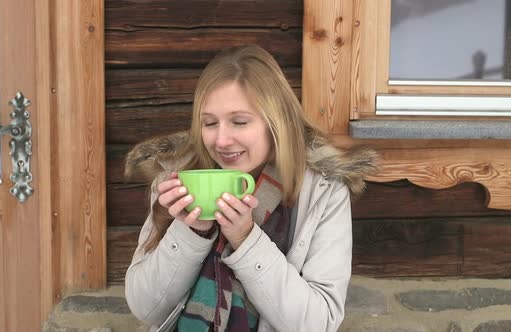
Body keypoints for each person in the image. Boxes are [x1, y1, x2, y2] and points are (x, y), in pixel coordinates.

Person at [124, 44, 378, 332]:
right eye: (209, 123)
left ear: (276, 123)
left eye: (239, 122)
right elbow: (145, 308)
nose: (221, 140)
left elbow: (319, 323)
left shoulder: (323, 192)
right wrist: (192, 231)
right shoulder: (177, 180)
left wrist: (246, 240)